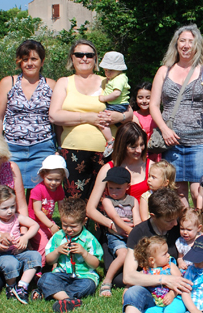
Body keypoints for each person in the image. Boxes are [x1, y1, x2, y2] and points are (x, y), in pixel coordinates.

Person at [122, 188, 203, 313]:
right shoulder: (139, 232)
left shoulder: (182, 227)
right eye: (169, 220)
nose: (176, 223)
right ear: (153, 216)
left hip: (189, 284)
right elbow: (128, 276)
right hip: (154, 290)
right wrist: (165, 279)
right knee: (132, 293)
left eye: (176, 219)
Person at [149, 24, 203, 207]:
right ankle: (185, 230)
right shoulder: (164, 71)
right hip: (170, 142)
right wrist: (165, 130)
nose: (186, 45)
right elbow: (154, 105)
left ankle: (202, 229)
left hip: (199, 142)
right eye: (182, 41)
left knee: (198, 190)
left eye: (190, 42)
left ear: (198, 45)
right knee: (177, 190)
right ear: (176, 44)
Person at [49, 39, 133, 200]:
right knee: (74, 200)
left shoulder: (108, 80)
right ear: (72, 58)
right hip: (73, 150)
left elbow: (129, 112)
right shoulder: (64, 82)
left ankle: (103, 226)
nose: (84, 58)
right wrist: (89, 117)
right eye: (79, 54)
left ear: (96, 59)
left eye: (89, 55)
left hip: (107, 151)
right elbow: (54, 115)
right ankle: (78, 226)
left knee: (106, 199)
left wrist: (120, 116)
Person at [86, 122, 152, 287]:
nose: (139, 150)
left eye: (142, 145)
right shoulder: (109, 168)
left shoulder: (151, 166)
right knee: (118, 279)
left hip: (143, 226)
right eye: (133, 146)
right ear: (123, 144)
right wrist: (112, 225)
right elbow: (90, 209)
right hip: (116, 232)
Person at [0, 40, 57, 193]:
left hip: (43, 147)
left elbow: (56, 119)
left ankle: (36, 218)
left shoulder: (52, 85)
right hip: (12, 148)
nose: (29, 63)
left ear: (42, 61)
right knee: (9, 191)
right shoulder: (8, 83)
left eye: (34, 59)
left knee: (40, 194)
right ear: (19, 62)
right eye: (25, 59)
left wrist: (58, 147)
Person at [36, 198, 103, 313]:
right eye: (65, 225)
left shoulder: (89, 239)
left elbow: (95, 264)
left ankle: (52, 294)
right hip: (61, 274)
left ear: (83, 221)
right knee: (45, 278)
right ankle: (68, 300)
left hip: (83, 276)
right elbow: (49, 261)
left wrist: (84, 253)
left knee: (88, 285)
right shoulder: (58, 237)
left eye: (73, 226)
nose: (68, 229)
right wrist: (57, 251)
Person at [0, 185, 41, 305]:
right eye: (5, 208)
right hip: (1, 255)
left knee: (35, 256)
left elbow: (35, 225)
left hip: (18, 252)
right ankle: (11, 287)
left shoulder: (16, 217)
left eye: (13, 206)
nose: (10, 211)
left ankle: (23, 286)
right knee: (11, 263)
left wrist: (25, 238)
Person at [100, 167, 140, 297]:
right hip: (116, 236)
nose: (114, 192)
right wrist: (129, 230)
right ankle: (107, 281)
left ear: (127, 186)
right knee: (123, 254)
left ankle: (133, 281)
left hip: (132, 234)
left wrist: (136, 232)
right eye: (111, 188)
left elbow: (137, 219)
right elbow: (115, 217)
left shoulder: (133, 200)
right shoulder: (107, 200)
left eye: (118, 188)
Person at [28, 155, 67, 267]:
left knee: (58, 239)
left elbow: (61, 208)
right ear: (43, 175)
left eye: (57, 180)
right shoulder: (37, 190)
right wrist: (51, 225)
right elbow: (38, 211)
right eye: (49, 179)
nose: (53, 183)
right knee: (43, 244)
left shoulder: (59, 189)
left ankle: (56, 263)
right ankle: (39, 267)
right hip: (35, 223)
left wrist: (65, 222)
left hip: (47, 221)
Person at [134, 236, 186, 313]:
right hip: (160, 306)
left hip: (177, 301)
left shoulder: (170, 266)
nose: (168, 255)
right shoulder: (146, 271)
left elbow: (181, 283)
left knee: (169, 311)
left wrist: (172, 294)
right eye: (164, 254)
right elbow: (134, 279)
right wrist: (126, 291)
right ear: (152, 260)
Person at [98, 51, 131, 157]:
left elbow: (117, 93)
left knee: (103, 121)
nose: (107, 73)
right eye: (106, 70)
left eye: (111, 70)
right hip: (117, 105)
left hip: (116, 105)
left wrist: (104, 98)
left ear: (119, 69)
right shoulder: (114, 78)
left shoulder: (119, 79)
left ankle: (110, 141)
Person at [131, 82, 161, 162]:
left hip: (157, 153)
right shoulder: (134, 116)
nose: (144, 101)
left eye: (148, 97)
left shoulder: (158, 115)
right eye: (140, 98)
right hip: (142, 154)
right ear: (136, 98)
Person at [176, 207, 202, 272]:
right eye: (182, 229)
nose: (185, 232)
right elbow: (180, 257)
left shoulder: (201, 240)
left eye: (189, 230)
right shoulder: (181, 242)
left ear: (198, 228)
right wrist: (181, 262)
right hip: (186, 269)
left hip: (199, 268)